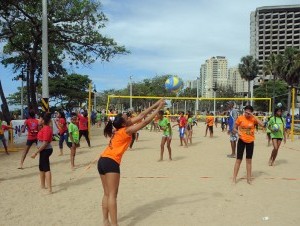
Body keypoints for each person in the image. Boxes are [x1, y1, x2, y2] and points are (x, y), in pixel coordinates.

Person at [98, 99, 165, 226]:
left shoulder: (121, 127)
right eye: (126, 117)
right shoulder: (126, 130)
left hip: (102, 160)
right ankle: (114, 224)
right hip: (111, 162)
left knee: (107, 193)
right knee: (112, 195)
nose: (128, 116)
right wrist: (157, 110)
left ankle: (106, 221)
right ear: (124, 122)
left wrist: (157, 103)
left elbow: (141, 116)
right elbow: (145, 121)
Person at [232, 105, 264, 184]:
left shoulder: (253, 118)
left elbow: (262, 124)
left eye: (249, 111)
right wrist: (237, 131)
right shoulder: (240, 118)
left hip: (250, 141)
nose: (247, 113)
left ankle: (249, 179)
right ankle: (234, 178)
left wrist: (253, 115)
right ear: (244, 111)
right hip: (241, 141)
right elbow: (233, 128)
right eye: (246, 111)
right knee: (238, 160)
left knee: (249, 160)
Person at [31, 113, 53, 194]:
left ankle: (50, 189)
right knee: (41, 167)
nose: (38, 120)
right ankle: (43, 185)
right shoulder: (44, 128)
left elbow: (45, 143)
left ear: (43, 121)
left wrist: (36, 153)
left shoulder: (46, 128)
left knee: (46, 168)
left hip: (46, 150)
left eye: (40, 119)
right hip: (43, 150)